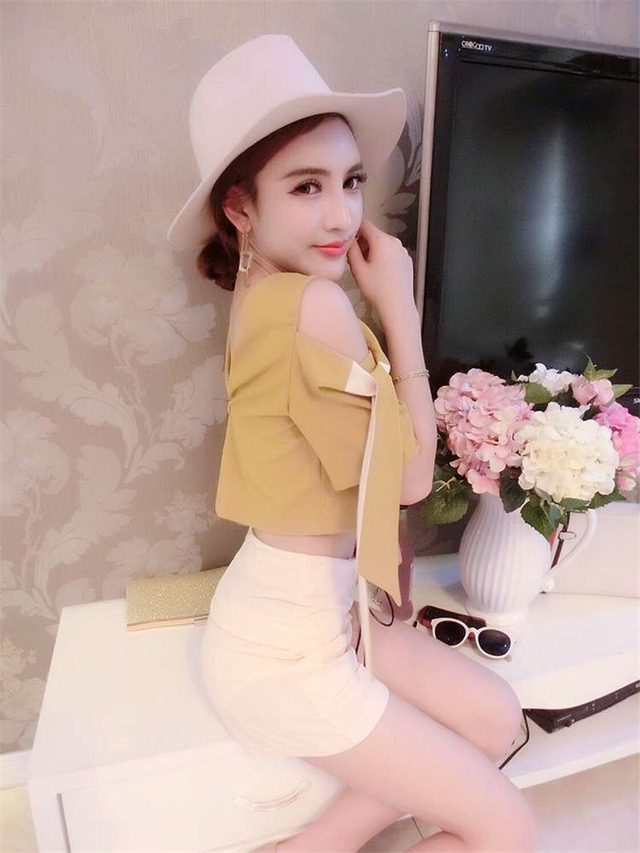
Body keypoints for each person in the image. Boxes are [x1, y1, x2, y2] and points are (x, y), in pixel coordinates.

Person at [167, 34, 538, 853]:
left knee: (495, 716)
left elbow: (358, 472)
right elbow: (407, 481)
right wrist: (399, 311)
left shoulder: (267, 290)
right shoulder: (314, 306)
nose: (341, 214)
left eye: (351, 181)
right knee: (508, 829)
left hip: (314, 609)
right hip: (286, 654)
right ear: (240, 208)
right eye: (307, 186)